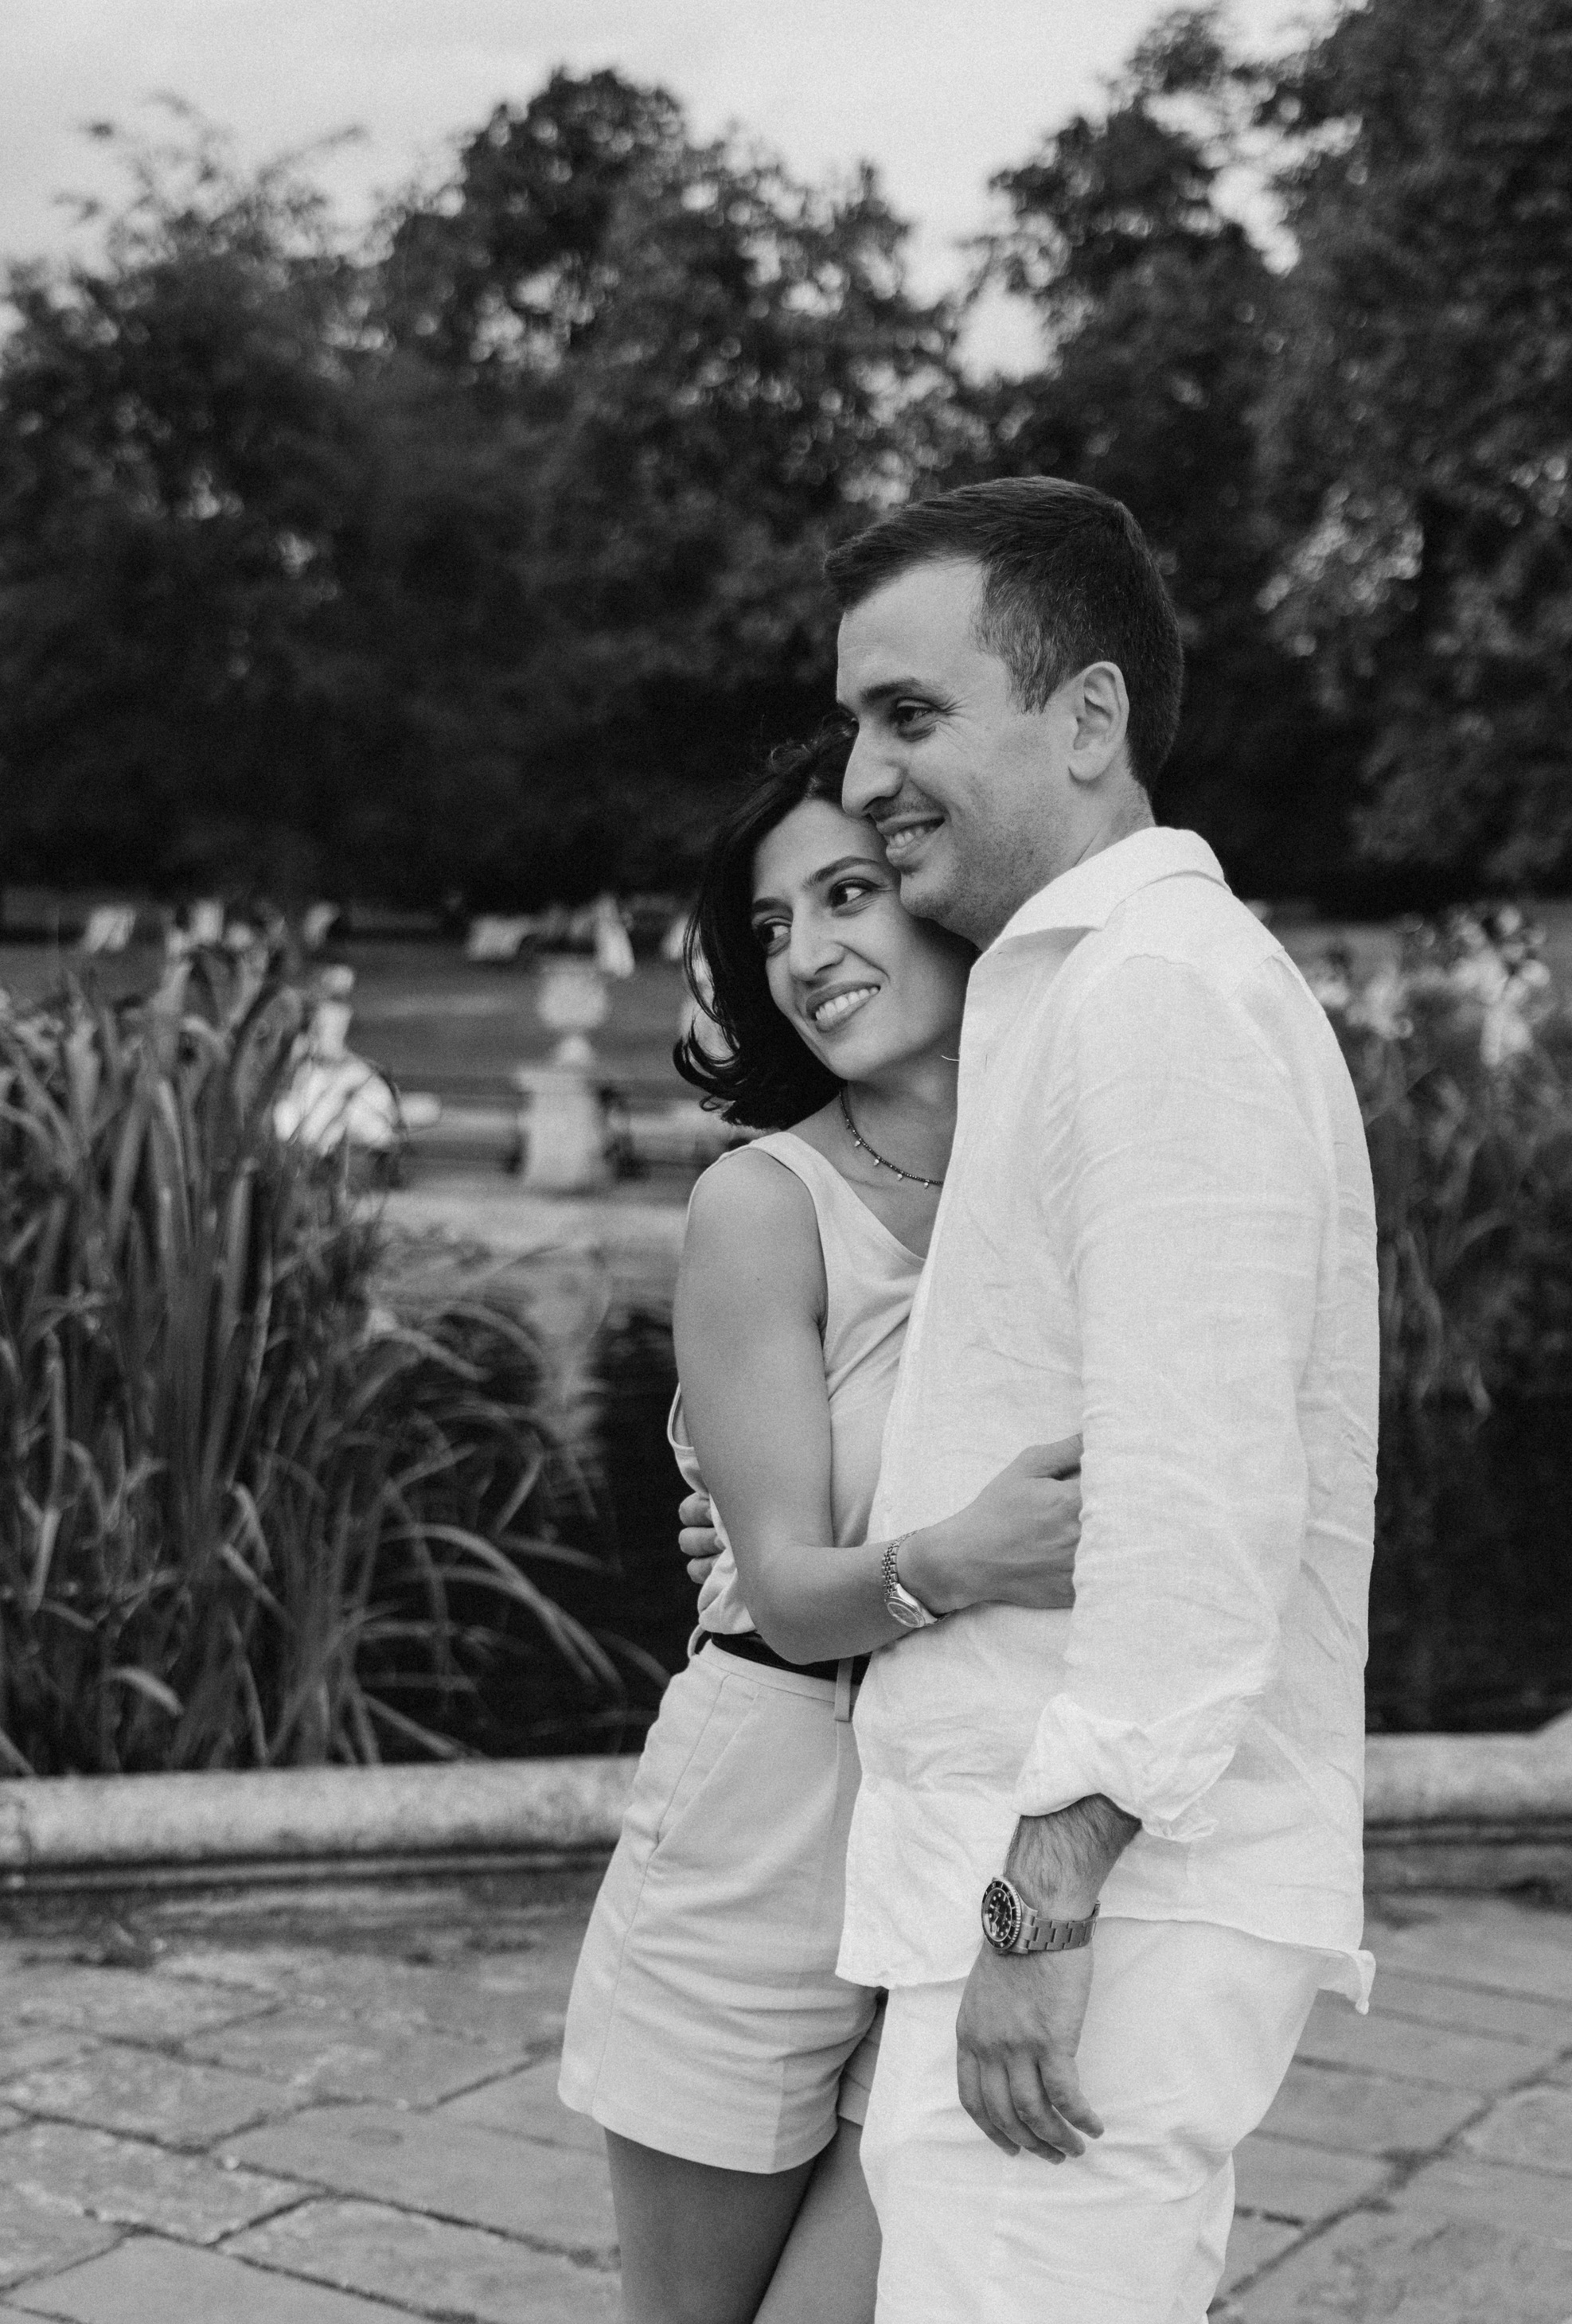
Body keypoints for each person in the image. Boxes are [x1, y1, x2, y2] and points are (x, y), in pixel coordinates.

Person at [822, 478, 1376, 2324]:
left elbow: (1202, 1488)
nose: (859, 772)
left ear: (1084, 717)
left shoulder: (1155, 993)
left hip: (1103, 1907)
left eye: (906, 714)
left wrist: (1037, 1909)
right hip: (1051, 1885)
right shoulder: (1076, 989)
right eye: (853, 723)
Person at [560, 723, 1083, 2324]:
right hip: (768, 1823)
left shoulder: (1073, 1166)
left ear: (941, 888)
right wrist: (962, 1552)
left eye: (846, 892)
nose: (803, 952)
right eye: (769, 926)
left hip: (973, 1835)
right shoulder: (760, 1202)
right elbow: (781, 1590)